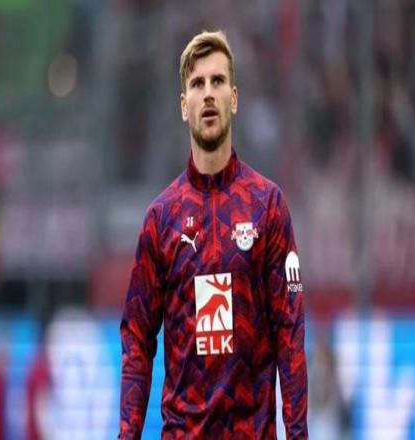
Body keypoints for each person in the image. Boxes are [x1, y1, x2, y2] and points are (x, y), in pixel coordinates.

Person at [119, 30, 308, 439]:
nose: (208, 93)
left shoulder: (268, 207)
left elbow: (290, 334)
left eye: (218, 81)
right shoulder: (161, 219)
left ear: (234, 99)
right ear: (183, 105)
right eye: (197, 84)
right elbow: (136, 339)